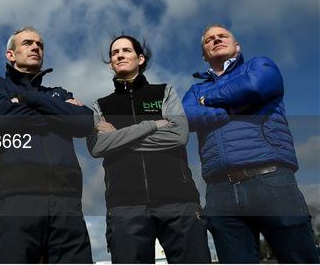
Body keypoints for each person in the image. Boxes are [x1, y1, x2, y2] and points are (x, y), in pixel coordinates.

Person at [183, 24, 319, 263]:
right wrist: (231, 109)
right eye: (209, 40)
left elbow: (254, 87)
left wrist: (208, 101)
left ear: (237, 46)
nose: (216, 40)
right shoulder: (195, 90)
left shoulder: (259, 66)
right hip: (220, 191)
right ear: (204, 54)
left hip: (272, 180)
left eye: (222, 36)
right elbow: (185, 117)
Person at [87, 35, 211, 263]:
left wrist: (119, 137)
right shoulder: (101, 104)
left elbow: (178, 135)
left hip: (178, 201)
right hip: (124, 206)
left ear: (140, 58)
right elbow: (97, 146)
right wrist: (151, 125)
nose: (119, 55)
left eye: (126, 50)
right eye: (115, 53)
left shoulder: (164, 92)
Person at [0, 26, 93, 263]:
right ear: (11, 55)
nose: (35, 47)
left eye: (40, 45)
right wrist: (60, 115)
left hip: (67, 202)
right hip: (17, 199)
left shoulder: (57, 92)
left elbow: (84, 122)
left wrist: (30, 98)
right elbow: (0, 120)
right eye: (28, 43)